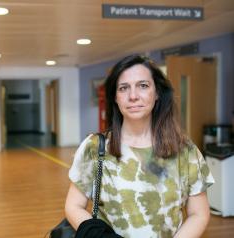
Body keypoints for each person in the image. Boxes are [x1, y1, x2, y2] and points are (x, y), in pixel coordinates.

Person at [65, 54, 215, 238]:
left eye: (143, 86)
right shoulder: (95, 147)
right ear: (115, 97)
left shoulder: (185, 150)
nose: (133, 96)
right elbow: (73, 206)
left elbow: (198, 214)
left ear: (157, 92)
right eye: (123, 88)